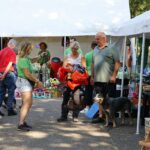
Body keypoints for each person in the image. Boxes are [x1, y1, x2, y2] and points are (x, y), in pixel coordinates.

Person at [90, 32, 120, 123]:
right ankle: (100, 116)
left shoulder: (112, 48)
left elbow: (117, 62)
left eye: (98, 38)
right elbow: (92, 63)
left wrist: (114, 75)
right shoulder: (95, 49)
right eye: (96, 38)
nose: (96, 40)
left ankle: (111, 118)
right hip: (97, 80)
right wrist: (92, 76)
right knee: (98, 99)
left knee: (110, 100)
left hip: (108, 80)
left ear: (104, 38)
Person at [16, 42, 43, 131]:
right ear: (26, 49)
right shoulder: (23, 60)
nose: (31, 50)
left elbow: (31, 60)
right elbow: (27, 74)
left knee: (28, 103)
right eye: (30, 49)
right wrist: (37, 81)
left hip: (25, 82)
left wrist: (38, 58)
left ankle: (22, 121)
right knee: (27, 103)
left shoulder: (26, 58)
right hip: (24, 82)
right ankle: (21, 123)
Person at [57, 41, 86, 122]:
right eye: (73, 48)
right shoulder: (67, 57)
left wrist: (76, 68)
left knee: (76, 99)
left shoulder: (81, 57)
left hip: (77, 81)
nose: (74, 50)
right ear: (70, 48)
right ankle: (63, 116)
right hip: (68, 81)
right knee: (65, 98)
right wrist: (68, 68)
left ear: (78, 48)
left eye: (75, 49)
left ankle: (75, 116)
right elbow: (63, 67)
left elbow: (84, 68)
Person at [0, 39, 18, 116]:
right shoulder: (12, 52)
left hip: (1, 73)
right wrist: (4, 74)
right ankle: (10, 110)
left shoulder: (1, 51)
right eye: (15, 46)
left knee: (1, 92)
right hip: (8, 74)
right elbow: (10, 64)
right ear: (13, 45)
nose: (14, 47)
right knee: (11, 92)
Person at [84, 41, 97, 109]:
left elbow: (84, 66)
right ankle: (97, 107)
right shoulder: (98, 54)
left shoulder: (87, 55)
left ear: (91, 46)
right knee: (98, 91)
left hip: (88, 74)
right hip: (97, 74)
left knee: (88, 91)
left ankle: (87, 106)